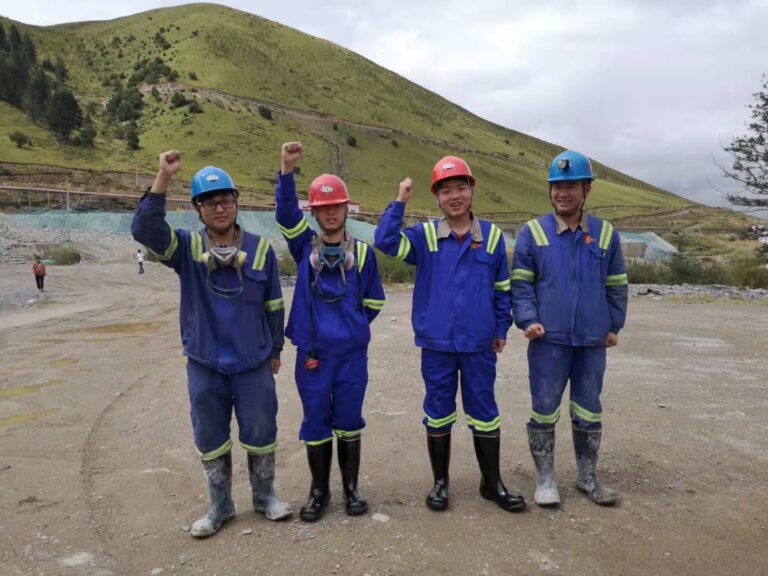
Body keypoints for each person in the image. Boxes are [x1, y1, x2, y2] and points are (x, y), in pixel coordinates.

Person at [131, 150, 292, 538]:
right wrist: (163, 177)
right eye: (209, 202)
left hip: (253, 364)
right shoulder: (186, 248)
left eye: (225, 200)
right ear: (198, 209)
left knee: (261, 430)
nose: (219, 208)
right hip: (205, 363)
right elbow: (145, 229)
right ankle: (220, 506)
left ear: (236, 203)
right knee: (210, 436)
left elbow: (274, 304)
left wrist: (275, 350)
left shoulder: (262, 249)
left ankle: (265, 497)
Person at [375, 155, 525, 513]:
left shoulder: (491, 237)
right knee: (439, 411)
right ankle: (440, 484)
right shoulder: (424, 237)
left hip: (479, 344)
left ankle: (492, 483)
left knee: (484, 411)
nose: (454, 196)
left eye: (461, 187)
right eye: (446, 191)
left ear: (471, 190)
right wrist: (399, 202)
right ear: (437, 197)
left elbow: (502, 289)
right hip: (437, 343)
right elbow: (385, 241)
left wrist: (501, 327)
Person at [510, 149, 628, 507]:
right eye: (557, 187)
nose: (563, 193)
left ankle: (587, 478)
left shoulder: (606, 235)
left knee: (589, 408)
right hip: (548, 340)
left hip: (592, 341)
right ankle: (546, 480)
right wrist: (528, 319)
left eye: (571, 186)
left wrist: (613, 324)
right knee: (544, 408)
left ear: (586, 190)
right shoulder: (532, 233)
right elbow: (521, 284)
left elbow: (617, 284)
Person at [275, 142, 385, 522]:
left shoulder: (365, 254)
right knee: (316, 421)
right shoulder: (302, 247)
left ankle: (351, 491)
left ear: (346, 208)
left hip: (351, 357)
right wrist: (286, 170)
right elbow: (285, 214)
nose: (331, 212)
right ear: (315, 212)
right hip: (313, 357)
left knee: (350, 421)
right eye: (323, 207)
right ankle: (318, 493)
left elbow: (375, 301)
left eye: (337, 205)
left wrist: (352, 328)